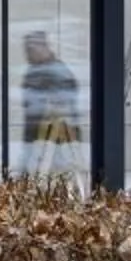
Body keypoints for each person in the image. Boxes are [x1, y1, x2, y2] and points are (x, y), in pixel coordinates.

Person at [20, 30, 83, 183]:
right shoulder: (34, 70)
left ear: (43, 47)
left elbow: (66, 98)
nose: (28, 54)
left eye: (31, 50)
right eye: (27, 50)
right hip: (37, 133)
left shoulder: (56, 70)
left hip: (56, 134)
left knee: (56, 171)